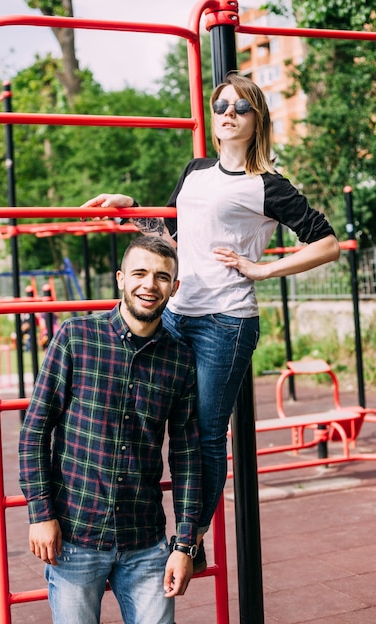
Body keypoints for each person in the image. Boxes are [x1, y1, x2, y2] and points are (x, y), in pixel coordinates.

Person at [82, 72, 340, 573]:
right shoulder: (195, 170)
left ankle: (190, 539)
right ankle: (136, 529)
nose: (227, 113)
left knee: (203, 432)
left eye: (240, 107)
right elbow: (175, 238)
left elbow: (326, 242)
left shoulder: (266, 185)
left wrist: (262, 269)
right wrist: (129, 209)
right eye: (221, 104)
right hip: (177, 313)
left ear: (255, 119)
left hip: (225, 321)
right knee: (147, 415)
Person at [19, 236, 202, 624]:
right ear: (121, 278)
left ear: (175, 286)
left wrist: (184, 544)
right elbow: (35, 430)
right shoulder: (75, 337)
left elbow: (186, 455)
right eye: (139, 273)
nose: (149, 285)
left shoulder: (180, 359)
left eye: (161, 276)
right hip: (73, 536)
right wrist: (40, 513)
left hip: (145, 541)